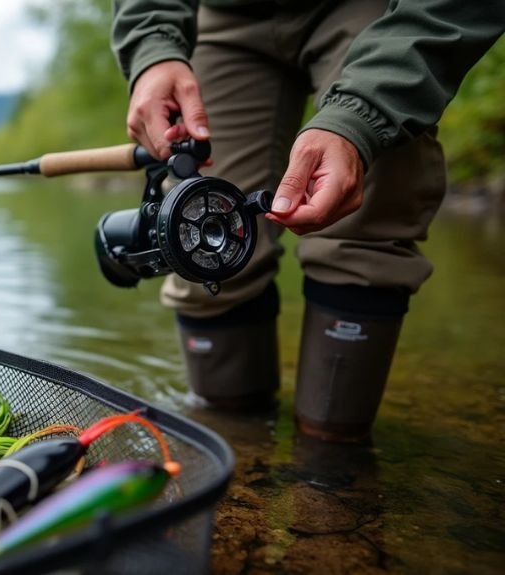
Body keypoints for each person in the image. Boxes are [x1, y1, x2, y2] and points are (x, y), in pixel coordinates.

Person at [111, 0, 504, 442]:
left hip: (378, 11)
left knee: (362, 219)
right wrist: (153, 48)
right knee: (204, 265)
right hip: (224, 16)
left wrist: (360, 117)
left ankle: (332, 469)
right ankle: (236, 461)